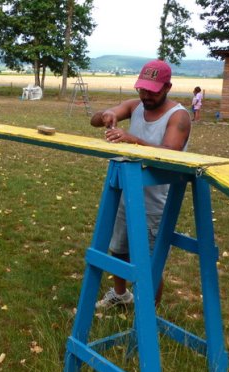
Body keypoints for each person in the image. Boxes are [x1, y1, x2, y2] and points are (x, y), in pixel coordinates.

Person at [90, 59, 191, 309]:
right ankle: (120, 294)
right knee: (120, 249)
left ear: (167, 86)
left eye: (152, 91)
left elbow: (170, 152)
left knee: (149, 262)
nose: (145, 95)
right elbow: (94, 120)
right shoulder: (136, 106)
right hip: (129, 192)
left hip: (157, 202)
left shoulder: (178, 116)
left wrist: (132, 140)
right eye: (142, 89)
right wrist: (107, 114)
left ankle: (149, 314)